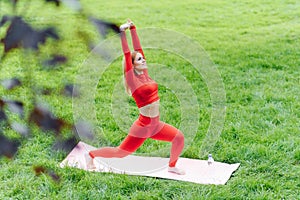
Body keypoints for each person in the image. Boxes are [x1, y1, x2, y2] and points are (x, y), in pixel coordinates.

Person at [85, 20, 185, 175]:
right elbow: (127, 54)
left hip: (156, 125)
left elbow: (138, 49)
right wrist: (122, 33)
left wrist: (133, 29)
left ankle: (172, 166)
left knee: (178, 137)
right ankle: (91, 155)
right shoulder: (133, 80)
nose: (143, 59)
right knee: (121, 153)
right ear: (133, 65)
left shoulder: (145, 74)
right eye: (139, 60)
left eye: (142, 58)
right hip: (143, 127)